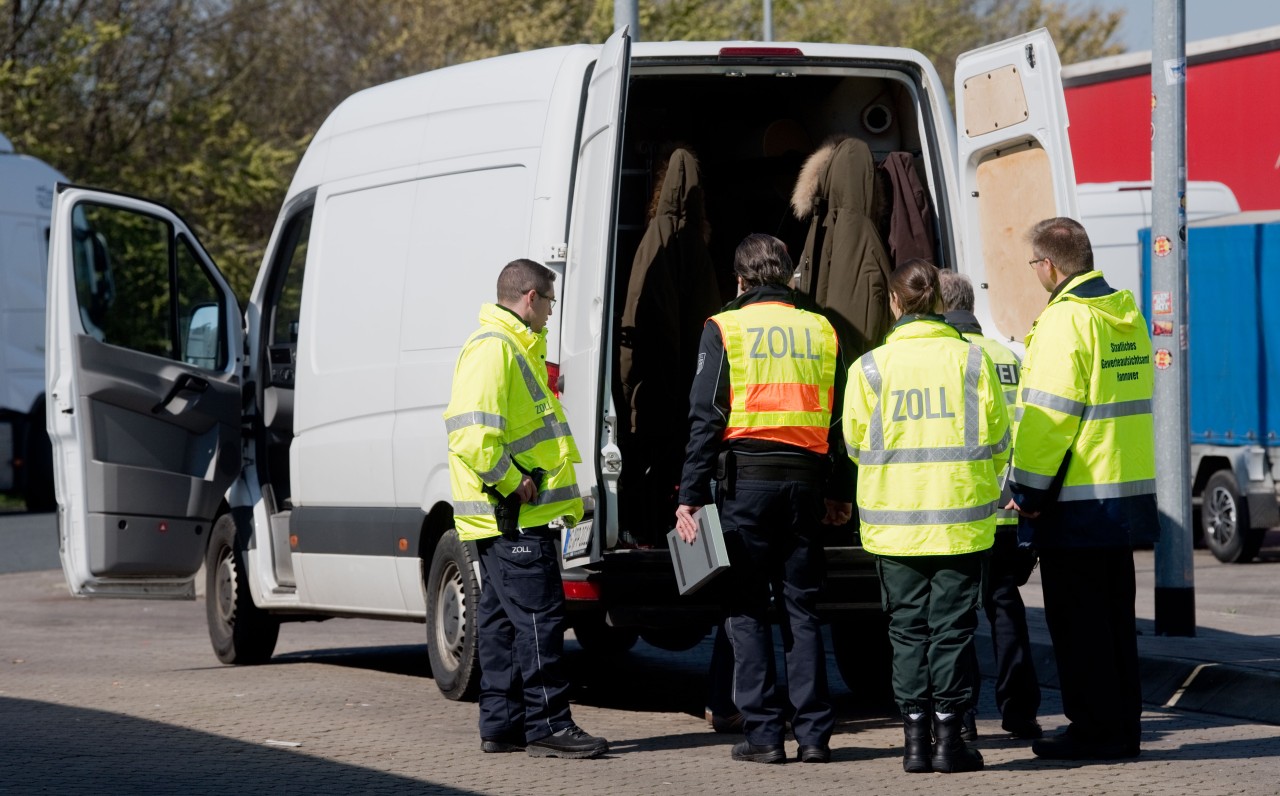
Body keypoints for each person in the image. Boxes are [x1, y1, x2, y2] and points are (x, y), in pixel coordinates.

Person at [675, 233, 854, 765]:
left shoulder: (723, 327)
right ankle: (816, 736)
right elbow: (841, 418)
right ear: (788, 277)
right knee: (803, 608)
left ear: (740, 279)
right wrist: (840, 491)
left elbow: (705, 417)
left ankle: (763, 736)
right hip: (805, 484)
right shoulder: (822, 328)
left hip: (745, 486)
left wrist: (690, 494)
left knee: (747, 607)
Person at [843, 259, 1009, 774]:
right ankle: (949, 742)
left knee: (907, 631)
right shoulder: (974, 362)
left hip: (894, 526)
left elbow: (853, 444)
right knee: (953, 632)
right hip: (960, 523)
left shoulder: (868, 368)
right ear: (938, 300)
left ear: (894, 303)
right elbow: (1000, 440)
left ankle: (914, 742)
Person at [443, 258, 608, 759]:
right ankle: (549, 724)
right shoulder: (497, 349)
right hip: (512, 515)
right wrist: (515, 484)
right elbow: (473, 437)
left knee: (499, 621)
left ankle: (502, 724)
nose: (552, 314)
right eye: (551, 302)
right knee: (540, 620)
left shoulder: (513, 347)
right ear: (530, 298)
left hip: (505, 517)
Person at [1008, 217, 1157, 761]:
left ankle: (1094, 731)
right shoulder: (1124, 313)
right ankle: (1122, 729)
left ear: (1047, 265)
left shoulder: (1065, 320)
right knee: (1116, 624)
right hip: (1122, 495)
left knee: (1079, 625)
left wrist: (1026, 490)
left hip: (1076, 498)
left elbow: (1050, 417)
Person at [938, 269, 1043, 742]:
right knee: (1005, 607)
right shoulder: (1010, 357)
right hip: (1010, 507)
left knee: (955, 615)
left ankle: (961, 717)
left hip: (963, 510)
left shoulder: (947, 359)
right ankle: (1020, 712)